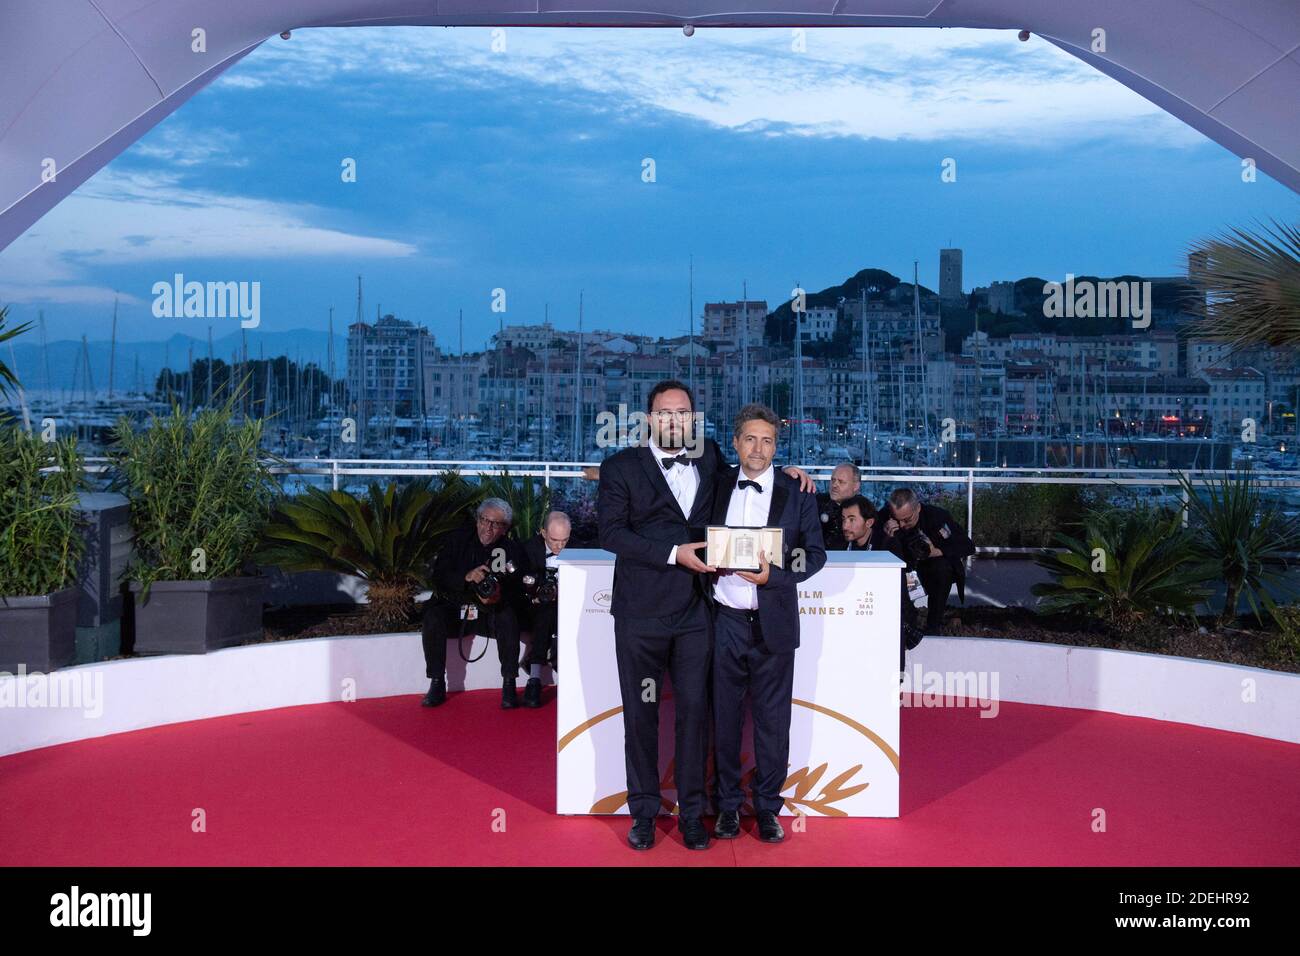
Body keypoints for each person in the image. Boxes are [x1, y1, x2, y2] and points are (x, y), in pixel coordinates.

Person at [596, 378, 817, 852]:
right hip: (639, 615)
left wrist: (792, 472)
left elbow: (758, 467)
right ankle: (643, 814)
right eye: (665, 412)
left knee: (696, 718)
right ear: (650, 418)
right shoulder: (619, 467)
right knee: (641, 716)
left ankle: (694, 815)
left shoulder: (711, 457)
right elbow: (612, 534)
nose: (674, 420)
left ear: (692, 421)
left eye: (683, 413)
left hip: (698, 614)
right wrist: (674, 553)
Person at [709, 404, 826, 844]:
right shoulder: (715, 485)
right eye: (751, 439)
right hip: (723, 620)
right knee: (723, 719)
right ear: (736, 442)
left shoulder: (798, 493)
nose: (759, 449)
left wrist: (773, 577)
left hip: (774, 622)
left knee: (773, 723)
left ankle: (768, 807)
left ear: (777, 446)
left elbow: (814, 555)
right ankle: (726, 808)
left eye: (768, 441)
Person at [420, 498, 528, 710]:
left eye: (496, 524)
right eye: (484, 520)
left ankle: (509, 683)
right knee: (433, 617)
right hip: (456, 607)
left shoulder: (512, 550)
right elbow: (439, 576)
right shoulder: (456, 541)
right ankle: (436, 682)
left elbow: (518, 586)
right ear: (477, 520)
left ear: (504, 528)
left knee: (508, 617)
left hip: (489, 612)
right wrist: (466, 577)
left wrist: (497, 595)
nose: (488, 527)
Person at [875, 487, 975, 633]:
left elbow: (967, 546)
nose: (902, 525)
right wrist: (884, 537)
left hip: (931, 570)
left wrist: (936, 551)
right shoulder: (884, 517)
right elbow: (870, 546)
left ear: (918, 508)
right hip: (903, 571)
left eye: (907, 519)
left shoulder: (936, 516)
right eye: (897, 520)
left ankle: (933, 625)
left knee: (943, 568)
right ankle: (899, 623)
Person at [519, 510, 570, 708]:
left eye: (565, 540)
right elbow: (520, 582)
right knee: (545, 614)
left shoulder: (578, 548)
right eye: (555, 540)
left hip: (569, 606)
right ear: (543, 532)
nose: (560, 546)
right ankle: (535, 679)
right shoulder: (528, 549)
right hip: (535, 607)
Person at [816, 462, 861, 551]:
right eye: (833, 480)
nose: (834, 485)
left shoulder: (863, 509)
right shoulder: (816, 502)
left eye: (841, 482)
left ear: (855, 486)